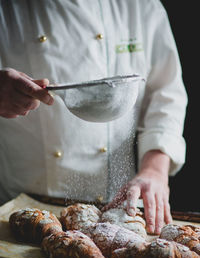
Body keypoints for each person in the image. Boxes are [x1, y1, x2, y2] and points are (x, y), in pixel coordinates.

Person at [0, 0, 187, 235]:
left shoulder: (141, 5)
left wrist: (155, 169)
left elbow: (167, 92)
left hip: (120, 209)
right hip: (19, 213)